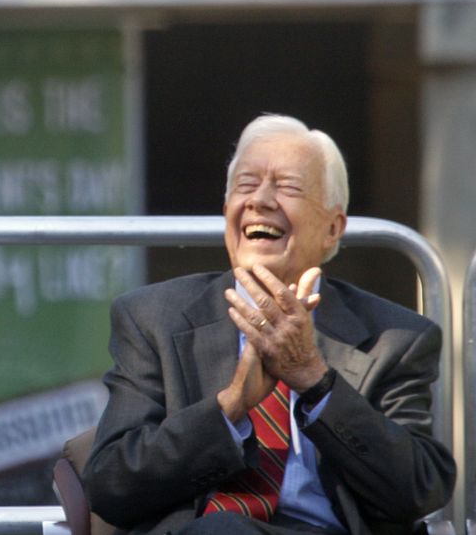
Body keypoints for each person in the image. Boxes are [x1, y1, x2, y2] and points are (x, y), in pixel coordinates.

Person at [83, 114, 454, 534]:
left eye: (288, 187)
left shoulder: (396, 339)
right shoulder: (153, 317)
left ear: (333, 228)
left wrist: (315, 382)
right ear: (228, 213)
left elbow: (417, 490)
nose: (260, 200)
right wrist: (230, 408)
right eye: (246, 185)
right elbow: (111, 483)